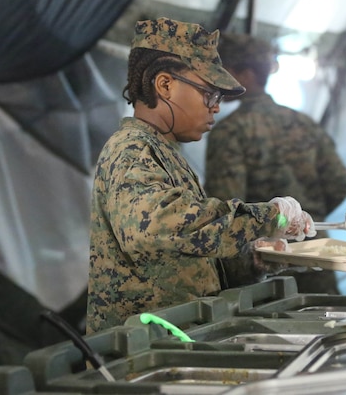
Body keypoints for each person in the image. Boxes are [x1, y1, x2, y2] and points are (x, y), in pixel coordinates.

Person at [87, 17, 316, 334]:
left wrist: (252, 261)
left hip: (172, 338)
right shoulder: (133, 151)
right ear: (165, 85)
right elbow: (156, 228)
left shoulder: (164, 152)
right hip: (140, 351)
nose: (216, 107)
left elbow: (186, 257)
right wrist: (267, 216)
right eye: (209, 93)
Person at [205, 32, 346, 294]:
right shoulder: (302, 122)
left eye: (226, 70)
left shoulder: (230, 131)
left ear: (246, 75)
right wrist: (308, 221)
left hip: (263, 263)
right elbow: (339, 180)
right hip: (315, 254)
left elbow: (226, 207)